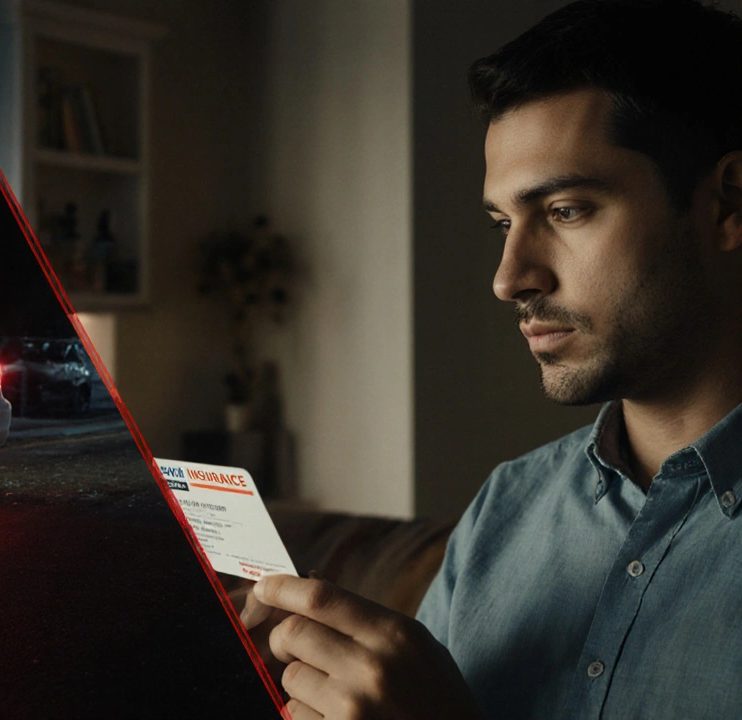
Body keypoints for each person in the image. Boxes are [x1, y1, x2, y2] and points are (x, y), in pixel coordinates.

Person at [238, 1, 742, 718]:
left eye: (566, 210)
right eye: (505, 222)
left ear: (728, 202)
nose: (510, 279)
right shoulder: (506, 508)